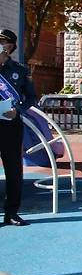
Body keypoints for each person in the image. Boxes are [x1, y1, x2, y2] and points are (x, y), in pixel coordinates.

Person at [0, 29, 37, 226]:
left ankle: (12, 212)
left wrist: (19, 110)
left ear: (11, 46)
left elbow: (31, 97)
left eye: (4, 42)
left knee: (14, 169)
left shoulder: (20, 70)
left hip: (10, 125)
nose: (1, 45)